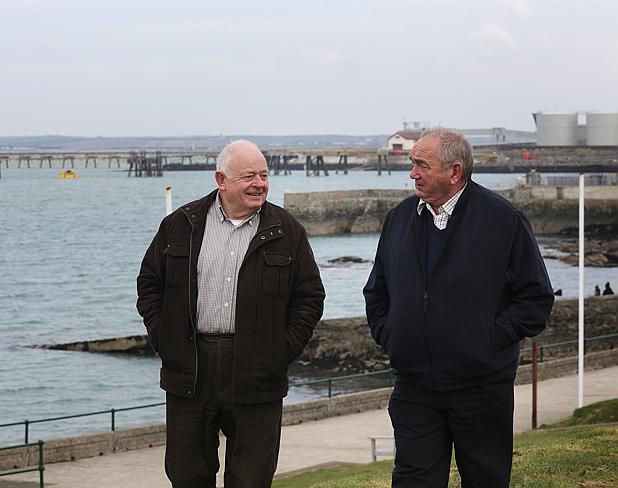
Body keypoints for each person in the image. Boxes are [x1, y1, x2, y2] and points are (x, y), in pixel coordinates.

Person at [363, 128, 554, 487]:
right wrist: (393, 338)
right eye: (413, 164)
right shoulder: (399, 219)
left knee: (485, 480)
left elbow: (536, 299)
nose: (413, 173)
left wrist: (486, 342)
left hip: (481, 388)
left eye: (422, 165)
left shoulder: (503, 220)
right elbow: (377, 292)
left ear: (454, 171)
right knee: (412, 481)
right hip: (415, 386)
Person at [137, 139, 325, 488]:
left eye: (265, 175)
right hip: (191, 370)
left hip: (258, 370)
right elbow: (150, 284)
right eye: (249, 176)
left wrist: (280, 350)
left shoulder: (287, 231)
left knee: (252, 478)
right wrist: (166, 339)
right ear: (221, 179)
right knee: (187, 474)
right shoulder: (181, 224)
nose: (260, 183)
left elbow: (309, 298)